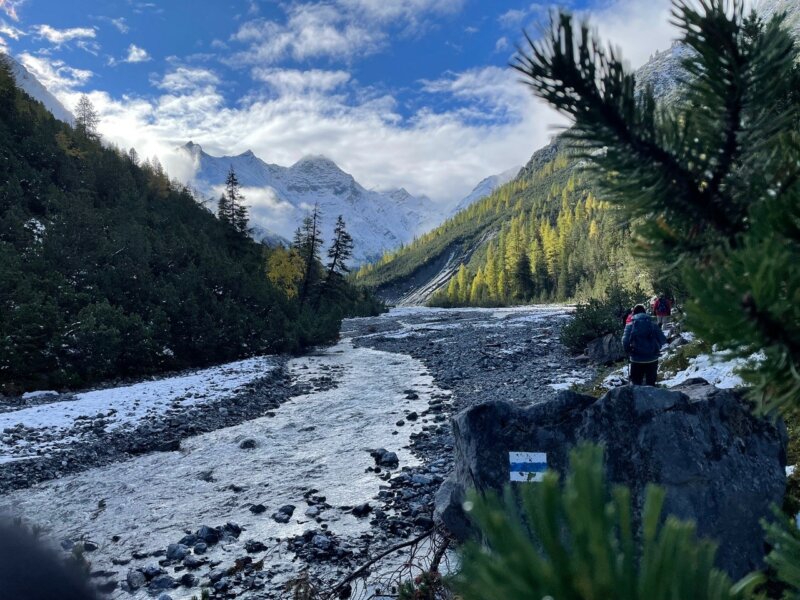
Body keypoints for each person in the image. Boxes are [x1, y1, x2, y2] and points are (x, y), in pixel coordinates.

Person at [622, 304, 667, 386]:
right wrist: (657, 347)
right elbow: (663, 340)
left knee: (636, 383)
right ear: (645, 313)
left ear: (633, 314)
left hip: (636, 359)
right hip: (652, 358)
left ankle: (637, 397)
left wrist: (628, 351)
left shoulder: (629, 326)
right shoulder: (653, 325)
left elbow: (625, 341)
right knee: (651, 383)